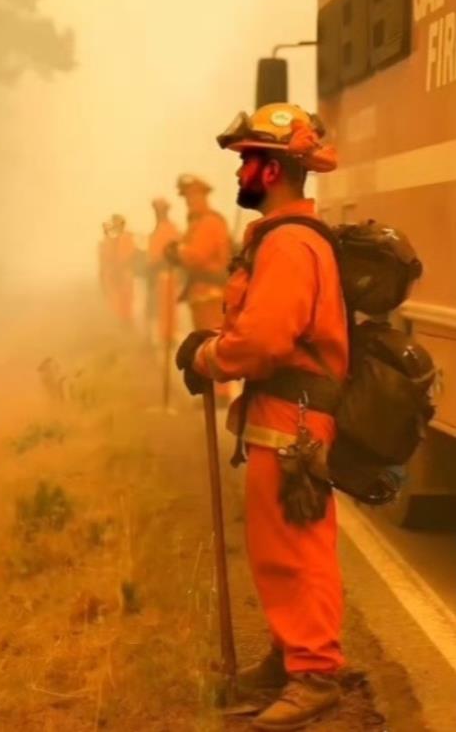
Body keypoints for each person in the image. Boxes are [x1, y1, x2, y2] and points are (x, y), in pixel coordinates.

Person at [175, 104, 347, 730]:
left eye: (247, 160)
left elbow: (267, 340)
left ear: (271, 170)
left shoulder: (290, 245)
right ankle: (288, 654)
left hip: (295, 416)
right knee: (278, 547)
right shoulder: (278, 239)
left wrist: (209, 355)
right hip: (280, 412)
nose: (240, 173)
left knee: (298, 548)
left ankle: (315, 672)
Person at [166, 174, 231, 404]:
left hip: (212, 293)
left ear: (203, 195)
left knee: (213, 343)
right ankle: (211, 391)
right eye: (186, 197)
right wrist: (176, 250)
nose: (189, 201)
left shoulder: (210, 222)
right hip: (200, 293)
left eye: (193, 196)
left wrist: (178, 252)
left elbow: (196, 256)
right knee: (204, 345)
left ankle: (221, 393)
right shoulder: (196, 222)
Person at [147, 198, 181, 347]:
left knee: (168, 307)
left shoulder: (170, 228)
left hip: (167, 272)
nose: (157, 213)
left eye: (159, 210)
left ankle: (169, 337)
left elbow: (174, 251)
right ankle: (165, 336)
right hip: (158, 274)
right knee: (161, 308)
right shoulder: (158, 228)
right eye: (155, 211)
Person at [108, 213, 136, 326]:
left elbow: (128, 256)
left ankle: (127, 320)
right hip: (119, 270)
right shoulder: (115, 238)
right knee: (120, 296)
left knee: (126, 295)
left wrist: (122, 268)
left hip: (125, 270)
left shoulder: (126, 237)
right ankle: (123, 319)